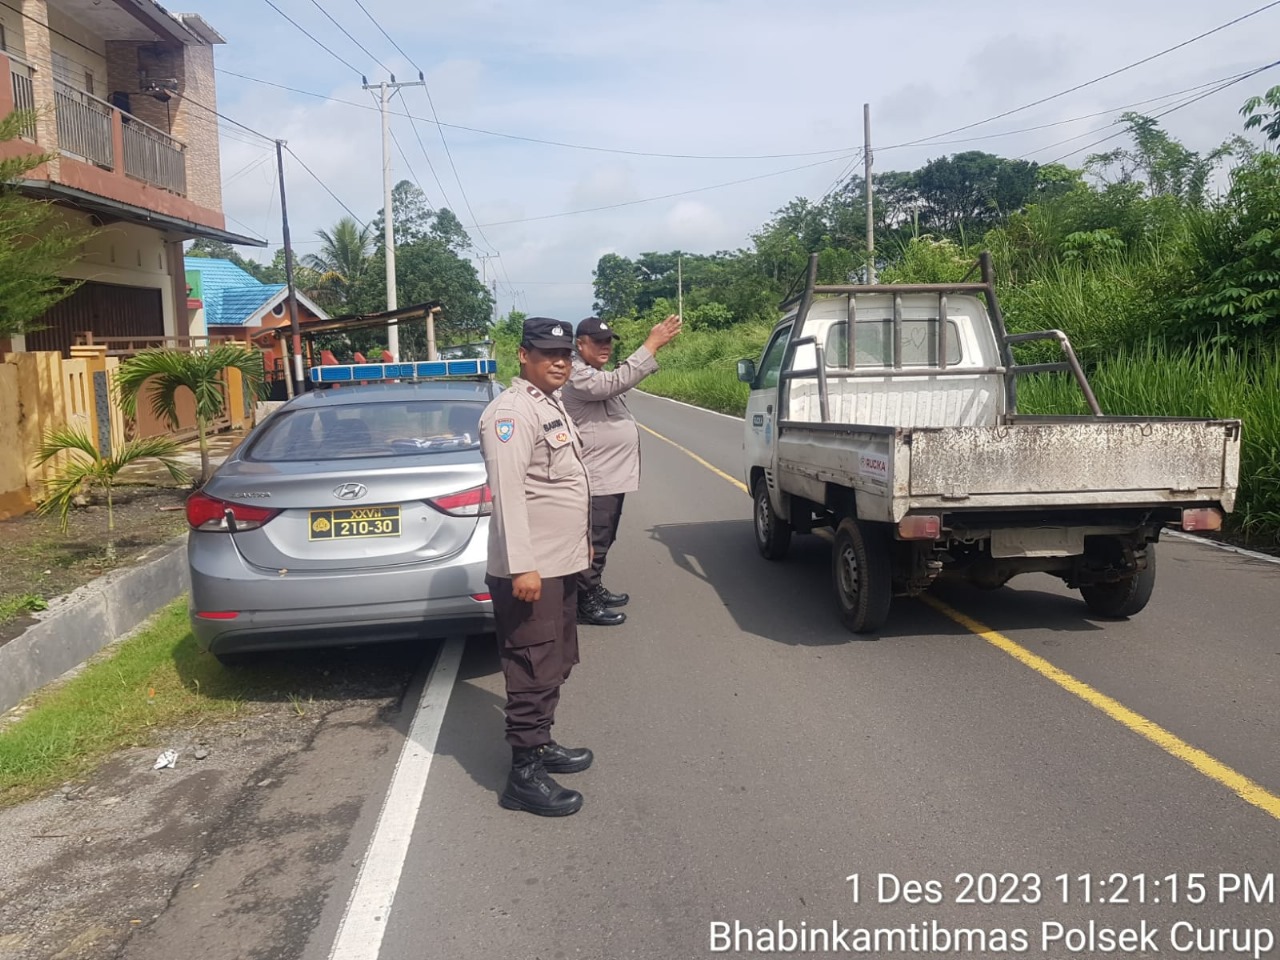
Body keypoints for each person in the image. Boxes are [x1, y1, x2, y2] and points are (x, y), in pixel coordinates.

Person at [479, 316, 594, 817]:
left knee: (556, 658)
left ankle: (541, 742)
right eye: (548, 353)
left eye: (566, 353)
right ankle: (523, 774)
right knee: (532, 663)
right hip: (532, 571)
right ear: (523, 355)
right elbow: (507, 496)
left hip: (558, 563)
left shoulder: (548, 405)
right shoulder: (510, 414)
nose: (560, 362)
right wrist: (522, 566)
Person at [560, 313, 682, 626]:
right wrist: (651, 345)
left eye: (608, 342)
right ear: (580, 344)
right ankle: (583, 602)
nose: (605, 347)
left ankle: (593, 586)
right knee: (595, 540)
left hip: (609, 476)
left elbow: (615, 382)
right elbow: (613, 383)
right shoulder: (577, 373)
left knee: (605, 536)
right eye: (597, 342)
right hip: (595, 478)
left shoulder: (592, 370)